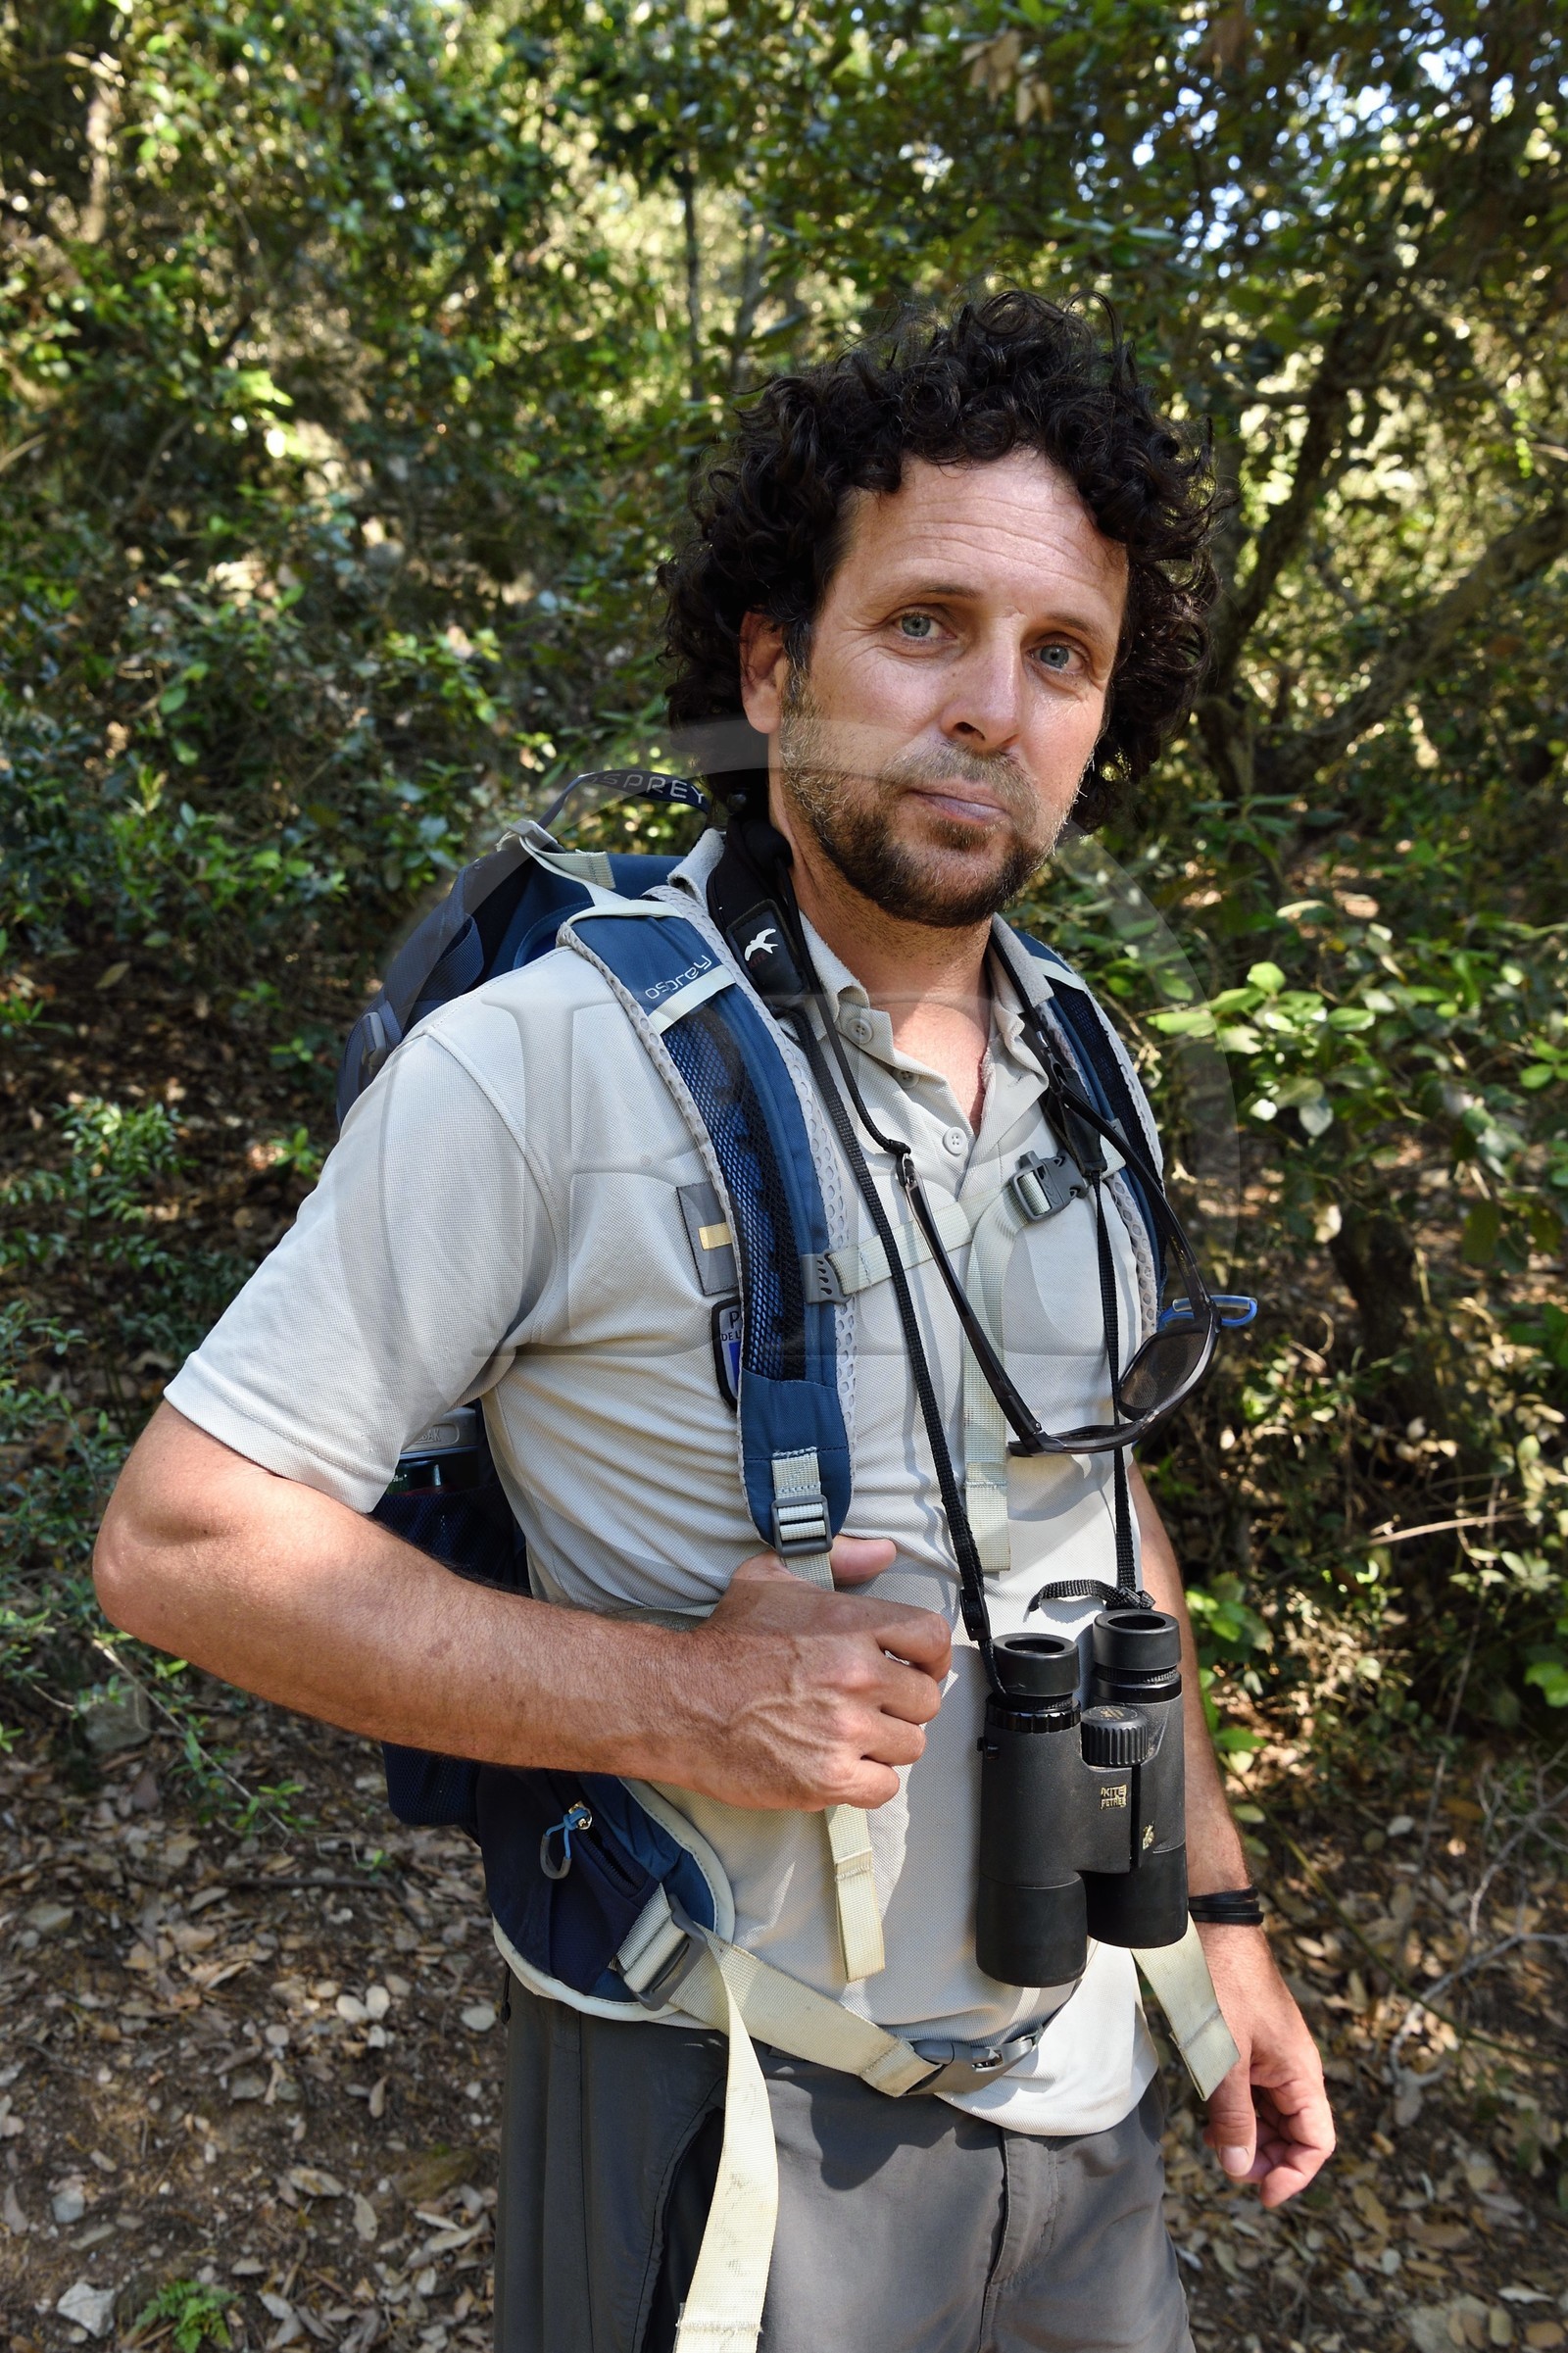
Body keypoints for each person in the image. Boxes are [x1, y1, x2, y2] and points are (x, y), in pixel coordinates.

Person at [94, 291, 1334, 2353]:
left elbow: (1092, 1510)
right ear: (772, 671)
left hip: (1092, 2090)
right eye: (922, 622)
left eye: (1060, 658)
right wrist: (679, 1706)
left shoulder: (1087, 1057)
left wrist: (1213, 1924)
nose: (989, 708)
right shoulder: (543, 1071)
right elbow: (179, 1540)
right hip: (730, 2118)